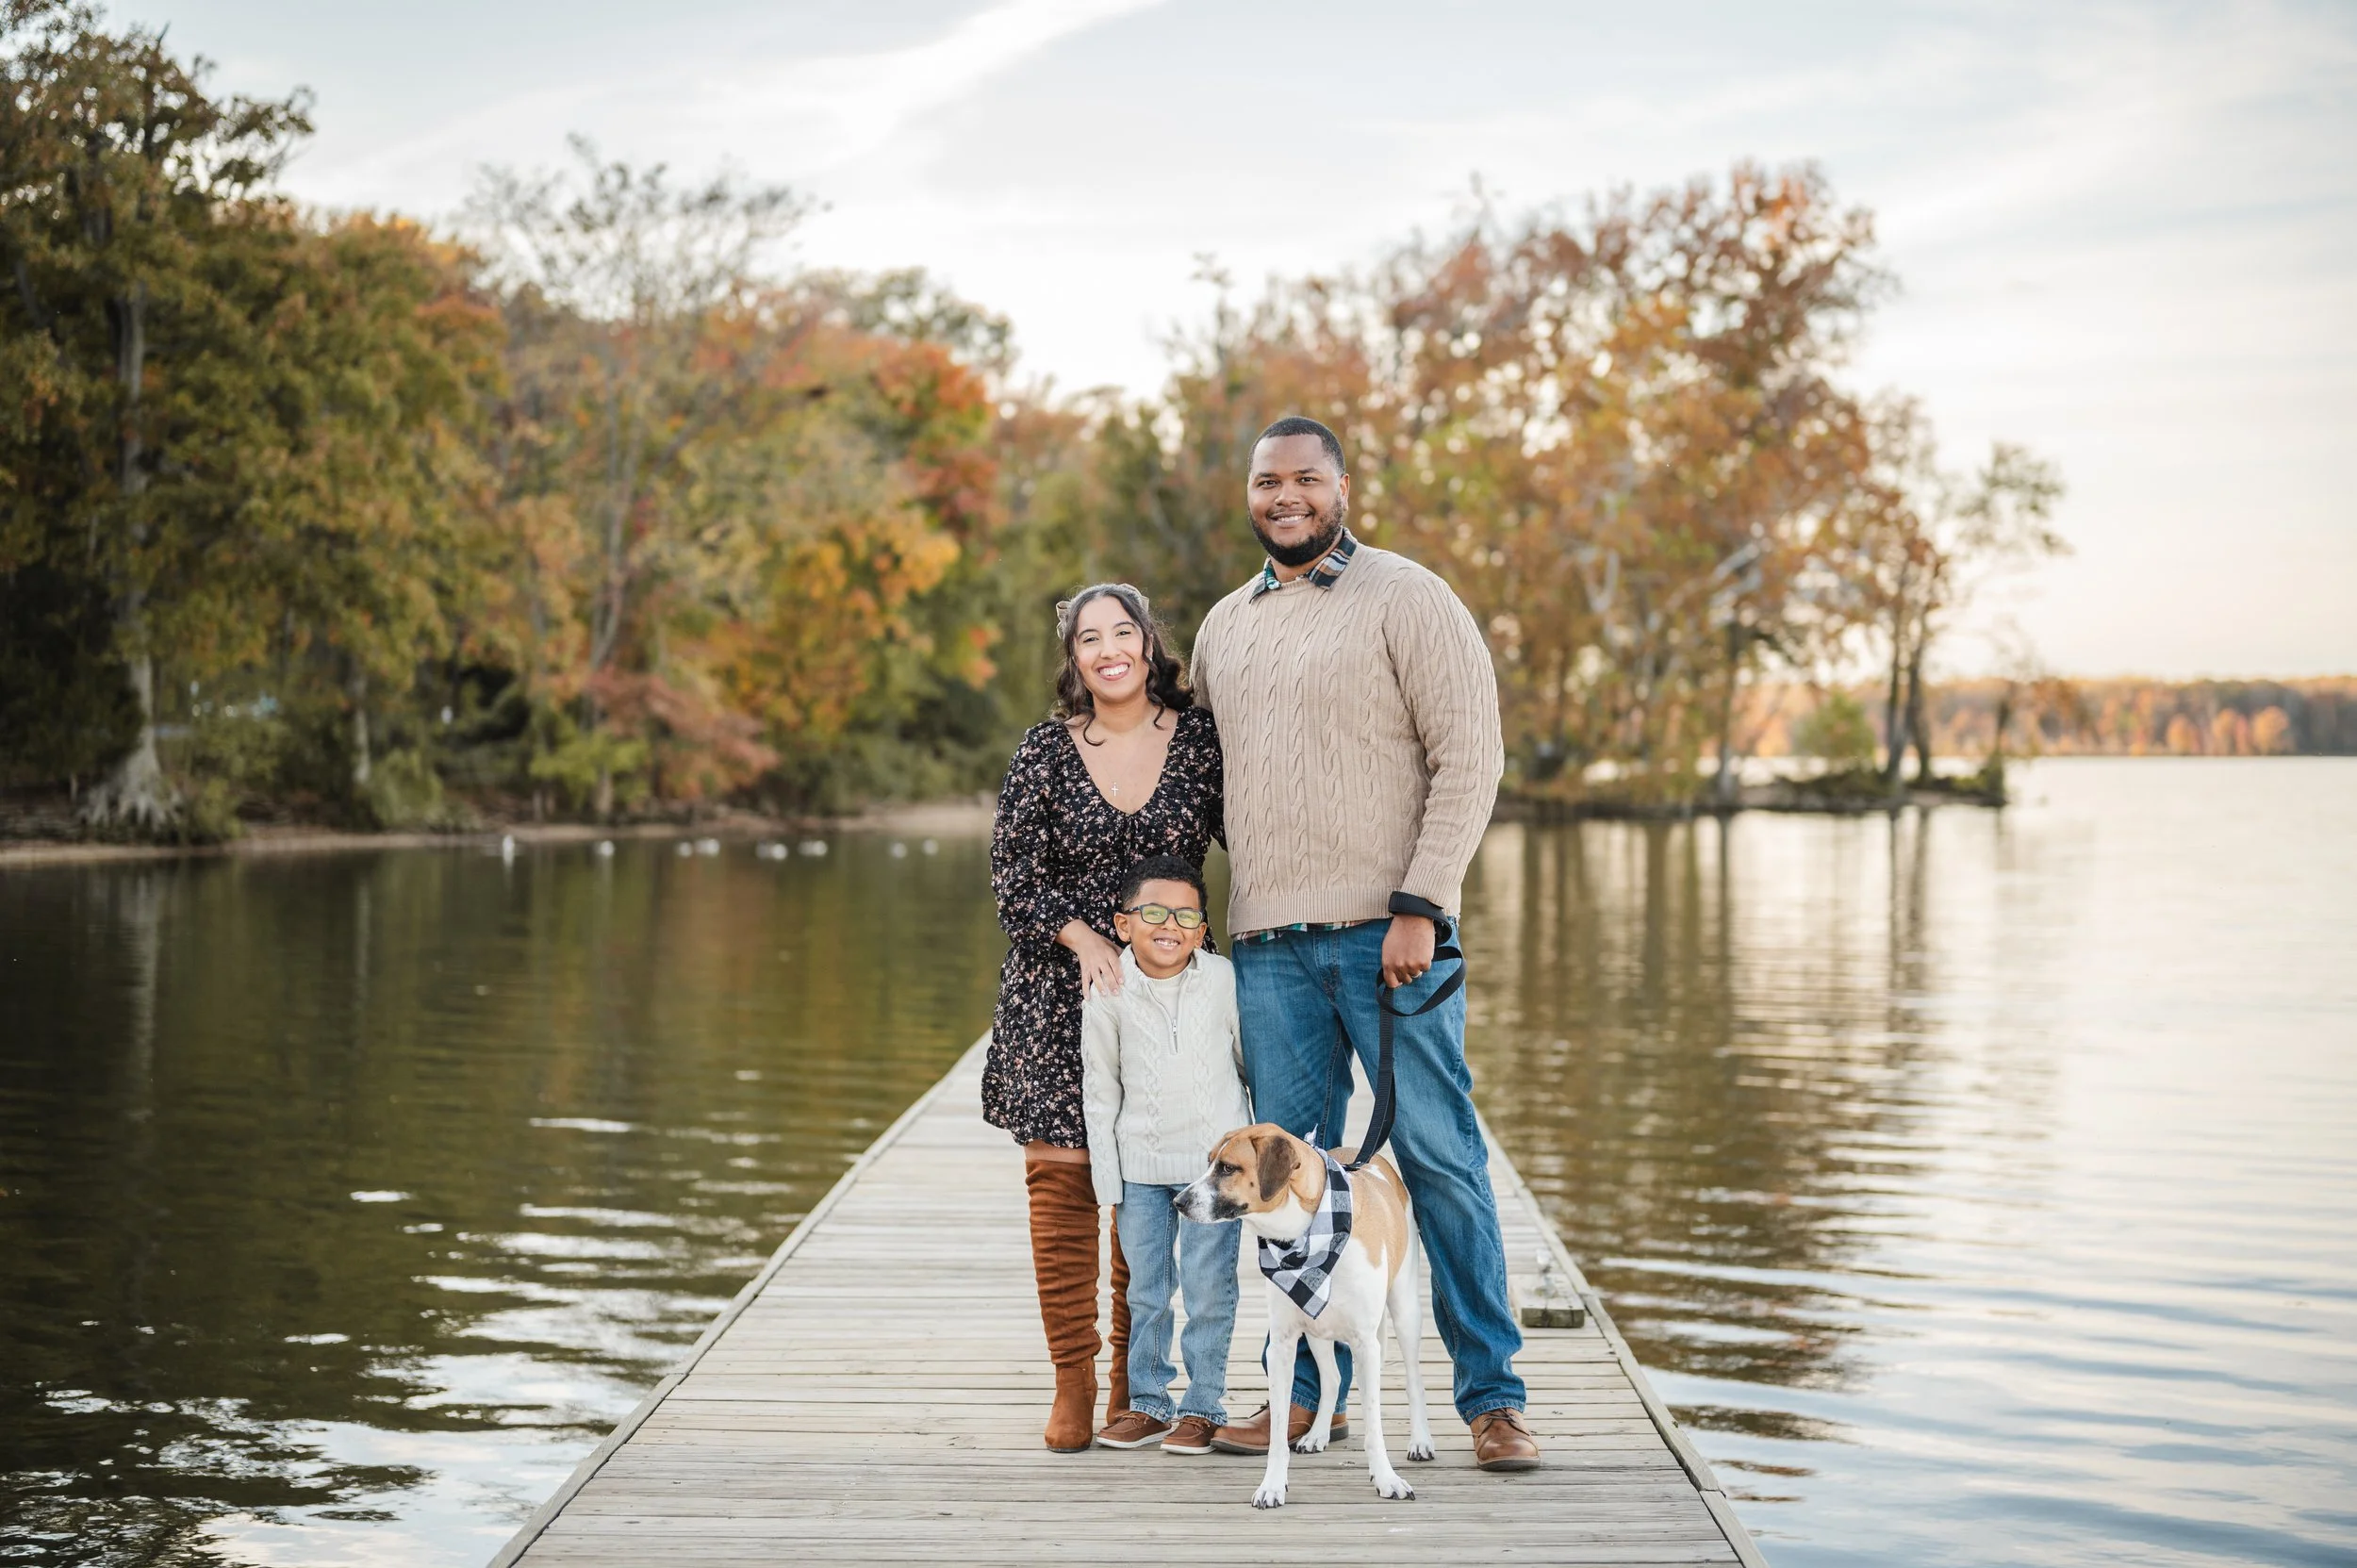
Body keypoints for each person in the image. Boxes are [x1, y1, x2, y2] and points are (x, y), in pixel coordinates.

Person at [1188, 414, 1541, 1472]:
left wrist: (1421, 901)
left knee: (1437, 1157)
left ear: (1339, 487)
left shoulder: (1409, 595)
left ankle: (1492, 1398)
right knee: (1286, 1177)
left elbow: (1471, 756)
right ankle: (1303, 1401)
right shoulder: (1223, 625)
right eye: (1265, 481)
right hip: (1266, 944)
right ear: (1247, 495)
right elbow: (1203, 779)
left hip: (1390, 937)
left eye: (1303, 478)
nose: (1282, 495)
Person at [986, 584, 1225, 1454]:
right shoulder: (1046, 749)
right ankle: (1073, 1376)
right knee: (1064, 1182)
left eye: (1123, 630)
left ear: (1148, 641)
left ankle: (1139, 1374)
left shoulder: (1198, 739)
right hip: (1059, 992)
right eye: (1090, 638)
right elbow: (1012, 872)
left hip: (1167, 1000)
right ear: (1075, 658)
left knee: (1150, 1180)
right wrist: (1086, 938)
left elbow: (1260, 830)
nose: (1109, 648)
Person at [1081, 854, 1251, 1457]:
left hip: (1213, 1174)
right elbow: (1100, 1089)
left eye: (1186, 915)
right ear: (1123, 924)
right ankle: (1149, 1403)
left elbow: (1244, 1063)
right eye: (1153, 912)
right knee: (1147, 1290)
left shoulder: (1224, 979)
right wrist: (1109, 1180)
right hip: (1141, 1168)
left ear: (1203, 929)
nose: (1170, 925)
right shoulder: (1109, 989)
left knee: (1210, 1289)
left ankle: (1204, 1405)